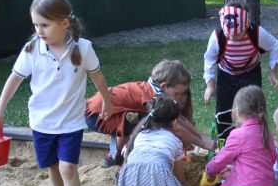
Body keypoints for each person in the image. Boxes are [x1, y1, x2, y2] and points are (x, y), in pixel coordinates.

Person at [0, 0, 117, 186]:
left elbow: (97, 75)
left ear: (64, 23)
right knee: (52, 166)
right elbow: (14, 79)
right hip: (42, 123)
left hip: (70, 122)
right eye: (35, 25)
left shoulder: (83, 48)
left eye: (45, 25)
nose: (39, 31)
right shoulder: (32, 50)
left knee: (67, 167)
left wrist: (106, 99)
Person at [85, 59, 214, 167]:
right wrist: (204, 143)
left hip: (100, 108)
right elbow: (176, 126)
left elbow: (178, 118)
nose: (179, 98)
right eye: (177, 94)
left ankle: (114, 156)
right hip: (98, 115)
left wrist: (202, 136)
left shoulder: (152, 88)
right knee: (146, 127)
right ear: (163, 86)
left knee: (134, 121)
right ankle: (125, 162)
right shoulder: (153, 97)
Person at [200, 85, 278, 186]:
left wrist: (209, 171)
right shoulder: (266, 132)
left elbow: (220, 160)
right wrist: (235, 169)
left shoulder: (239, 134)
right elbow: (271, 159)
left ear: (237, 111)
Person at [202, 2, 278, 140]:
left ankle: (255, 140)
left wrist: (274, 71)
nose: (232, 37)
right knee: (224, 111)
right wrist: (210, 86)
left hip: (250, 73)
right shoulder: (217, 36)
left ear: (246, 26)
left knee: (254, 109)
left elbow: (274, 45)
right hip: (226, 75)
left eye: (237, 34)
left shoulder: (257, 33)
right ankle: (226, 143)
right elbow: (209, 59)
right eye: (228, 33)